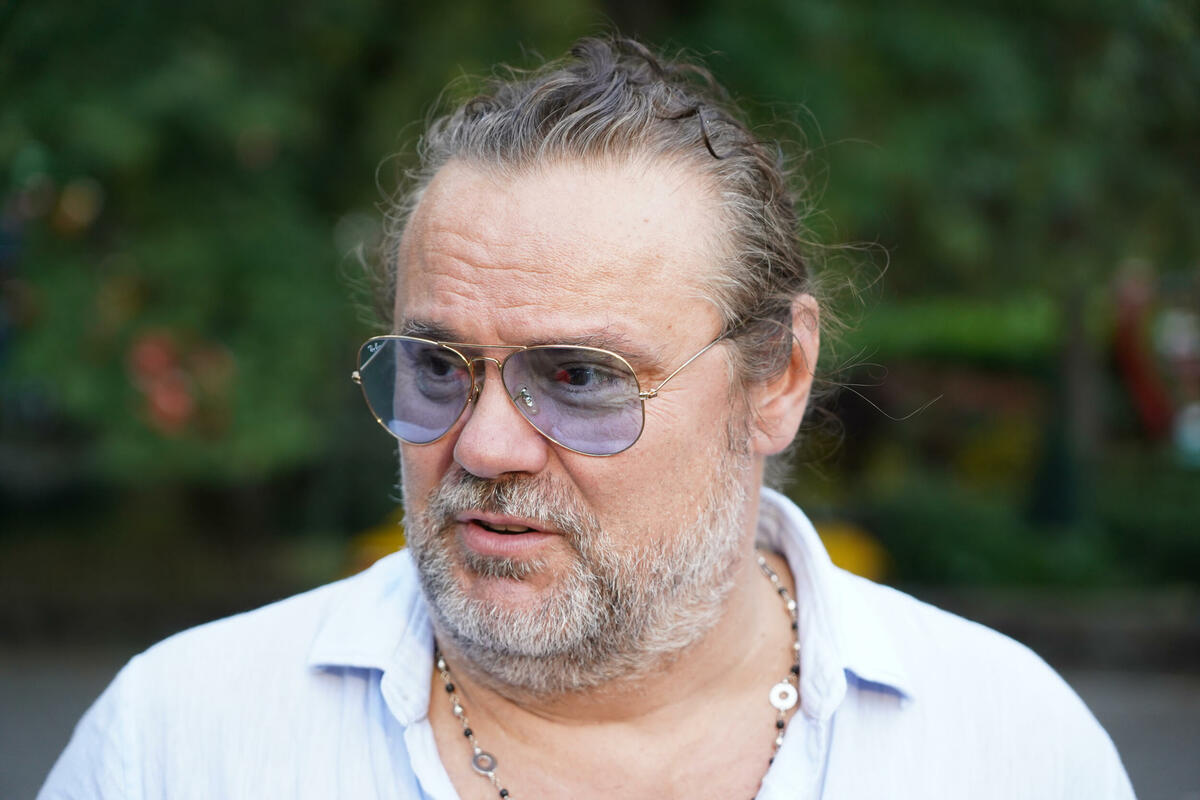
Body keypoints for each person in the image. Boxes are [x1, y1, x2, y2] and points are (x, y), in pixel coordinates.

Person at [40, 36, 1133, 799]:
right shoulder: (177, 743)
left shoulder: (1011, 749)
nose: (484, 444)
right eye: (437, 366)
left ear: (779, 378)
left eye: (578, 376)